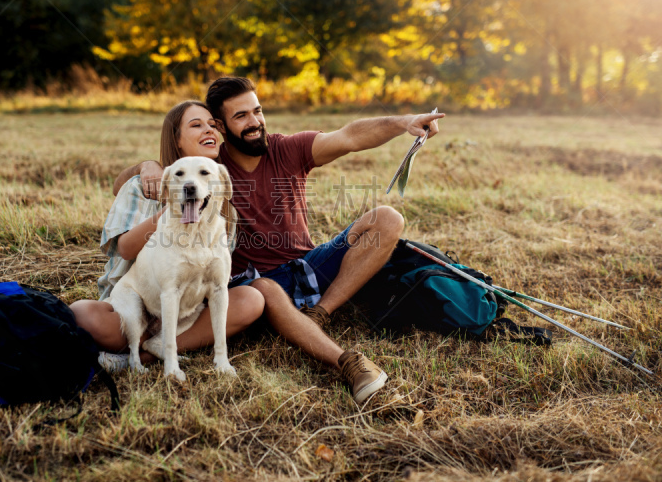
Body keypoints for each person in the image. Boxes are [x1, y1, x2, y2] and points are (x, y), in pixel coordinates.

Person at [115, 77, 444, 404]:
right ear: (222, 128)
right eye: (241, 116)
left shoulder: (288, 148)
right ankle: (348, 364)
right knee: (266, 290)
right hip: (254, 285)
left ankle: (318, 314)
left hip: (307, 266)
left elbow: (350, 136)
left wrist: (405, 122)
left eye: (257, 111)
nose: (255, 122)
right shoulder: (210, 167)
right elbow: (122, 185)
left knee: (387, 218)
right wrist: (148, 166)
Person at [70, 101, 265, 371]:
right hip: (131, 303)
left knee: (251, 300)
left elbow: (212, 280)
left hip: (185, 310)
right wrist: (171, 208)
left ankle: (147, 352)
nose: (208, 130)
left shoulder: (223, 206)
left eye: (212, 124)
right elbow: (125, 249)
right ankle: (143, 343)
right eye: (196, 125)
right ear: (177, 140)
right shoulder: (144, 183)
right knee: (83, 315)